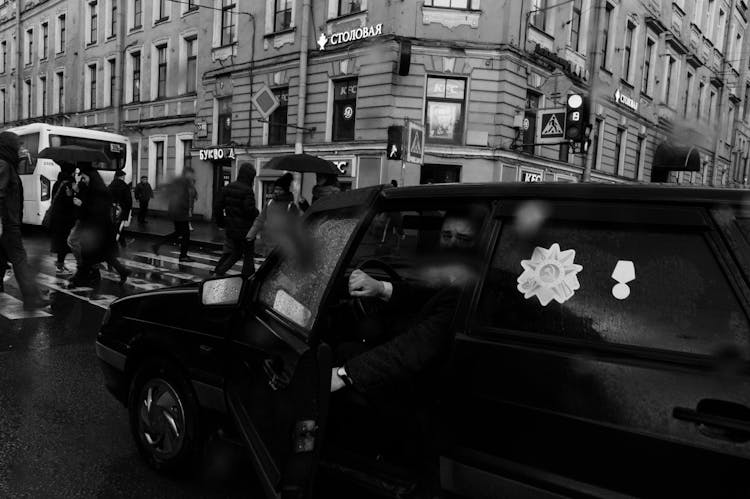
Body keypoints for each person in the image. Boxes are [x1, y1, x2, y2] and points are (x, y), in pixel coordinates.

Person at [329, 208, 485, 496]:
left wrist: (344, 374)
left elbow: (414, 348)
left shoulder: (470, 287)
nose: (451, 244)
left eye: (463, 239)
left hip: (432, 390)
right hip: (438, 375)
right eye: (447, 235)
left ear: (479, 243)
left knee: (345, 363)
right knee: (347, 348)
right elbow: (425, 296)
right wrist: (381, 288)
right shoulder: (458, 277)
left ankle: (373, 456)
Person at [0, 131, 48, 309]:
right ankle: (31, 298)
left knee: (1, 258)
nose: (23, 149)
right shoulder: (4, 165)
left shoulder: (7, 164)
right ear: (9, 147)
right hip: (7, 225)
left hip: (8, 224)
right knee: (20, 260)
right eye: (18, 145)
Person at [68, 168, 130, 287]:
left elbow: (97, 210)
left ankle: (79, 280)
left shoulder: (100, 192)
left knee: (89, 256)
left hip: (98, 228)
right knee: (102, 254)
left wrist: (82, 204)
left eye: (85, 178)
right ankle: (122, 271)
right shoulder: (92, 189)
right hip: (95, 228)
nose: (83, 180)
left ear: (92, 177)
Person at [213, 163, 259, 276]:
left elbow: (217, 206)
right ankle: (247, 280)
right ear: (250, 177)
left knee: (236, 253)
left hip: (231, 229)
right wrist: (256, 212)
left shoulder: (228, 187)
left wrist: (222, 223)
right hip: (246, 230)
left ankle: (218, 273)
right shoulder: (248, 190)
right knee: (248, 256)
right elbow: (249, 210)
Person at [245, 172, 300, 257]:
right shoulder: (270, 202)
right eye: (276, 189)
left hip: (281, 245)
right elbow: (260, 219)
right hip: (267, 242)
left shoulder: (290, 206)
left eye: (280, 190)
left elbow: (295, 226)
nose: (277, 191)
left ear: (285, 191)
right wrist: (251, 234)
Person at [152, 167, 195, 262]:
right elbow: (179, 198)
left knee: (178, 233)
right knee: (185, 235)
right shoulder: (183, 183)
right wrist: (186, 208)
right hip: (180, 212)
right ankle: (183, 256)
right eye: (191, 174)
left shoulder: (182, 182)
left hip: (177, 212)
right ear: (187, 173)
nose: (192, 176)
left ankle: (157, 244)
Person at [48, 164, 77, 274]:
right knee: (67, 242)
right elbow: (68, 202)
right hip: (66, 218)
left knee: (62, 243)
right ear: (71, 172)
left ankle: (60, 264)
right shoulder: (69, 184)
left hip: (57, 217)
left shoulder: (57, 183)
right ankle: (61, 266)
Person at [108, 169, 133, 248]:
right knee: (119, 228)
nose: (124, 178)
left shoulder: (111, 185)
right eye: (124, 176)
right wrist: (129, 211)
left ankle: (123, 244)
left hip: (112, 210)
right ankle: (113, 246)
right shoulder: (124, 186)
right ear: (121, 177)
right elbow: (128, 201)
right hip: (122, 210)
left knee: (115, 227)